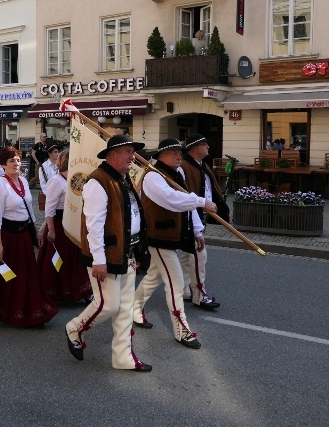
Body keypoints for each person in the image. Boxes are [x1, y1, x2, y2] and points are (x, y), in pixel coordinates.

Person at [63, 135, 151, 372]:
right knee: (108, 305)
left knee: (124, 308)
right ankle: (75, 328)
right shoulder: (97, 182)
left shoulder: (122, 179)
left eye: (133, 152)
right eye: (128, 152)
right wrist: (99, 260)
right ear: (113, 155)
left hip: (126, 253)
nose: (132, 156)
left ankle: (123, 356)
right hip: (106, 256)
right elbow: (93, 225)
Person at [132, 138, 217, 350]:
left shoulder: (177, 173)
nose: (179, 156)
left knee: (154, 276)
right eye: (174, 153)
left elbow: (185, 201)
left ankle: (133, 308)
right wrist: (201, 201)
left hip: (172, 235)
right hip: (158, 236)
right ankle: (182, 331)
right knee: (176, 284)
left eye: (180, 152)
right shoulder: (153, 176)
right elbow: (171, 199)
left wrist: (197, 230)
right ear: (161, 156)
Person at [0, 146, 58, 327]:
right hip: (6, 236)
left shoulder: (23, 181)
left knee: (26, 274)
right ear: (3, 164)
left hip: (23, 235)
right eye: (11, 161)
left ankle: (29, 308)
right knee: (7, 276)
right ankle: (5, 310)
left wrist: (36, 230)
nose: (15, 164)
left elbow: (29, 209)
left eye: (17, 160)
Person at [36, 150, 91, 302]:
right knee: (59, 259)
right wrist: (51, 229)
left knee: (75, 258)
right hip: (59, 224)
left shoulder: (75, 179)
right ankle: (56, 292)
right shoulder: (56, 181)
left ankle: (80, 290)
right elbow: (50, 208)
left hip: (73, 223)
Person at [180, 133, 227, 309]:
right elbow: (186, 195)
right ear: (194, 148)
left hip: (202, 214)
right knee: (199, 256)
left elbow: (210, 188)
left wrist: (221, 208)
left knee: (187, 257)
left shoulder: (203, 165)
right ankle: (199, 294)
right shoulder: (184, 167)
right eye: (204, 144)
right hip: (191, 216)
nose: (208, 146)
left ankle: (185, 290)